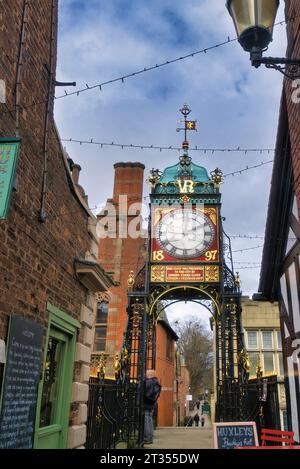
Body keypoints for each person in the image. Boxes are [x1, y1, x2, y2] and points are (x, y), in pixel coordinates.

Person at [144, 369, 161, 444]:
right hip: (152, 403)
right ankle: (150, 437)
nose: (146, 375)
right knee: (150, 420)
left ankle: (147, 437)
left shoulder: (149, 382)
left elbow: (145, 392)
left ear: (150, 375)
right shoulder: (156, 382)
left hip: (146, 403)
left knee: (146, 420)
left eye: (147, 374)